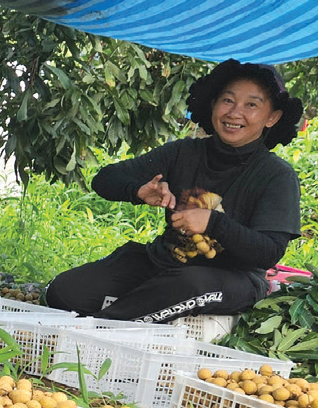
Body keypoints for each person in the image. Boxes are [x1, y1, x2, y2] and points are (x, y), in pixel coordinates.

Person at [45, 60, 303, 322]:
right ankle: (114, 321)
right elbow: (104, 180)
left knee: (189, 284)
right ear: (213, 104)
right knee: (65, 293)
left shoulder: (276, 175)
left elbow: (269, 252)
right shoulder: (184, 152)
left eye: (252, 105)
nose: (235, 113)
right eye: (227, 100)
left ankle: (101, 329)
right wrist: (138, 191)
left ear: (273, 117)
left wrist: (214, 223)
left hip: (233, 280)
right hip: (163, 264)